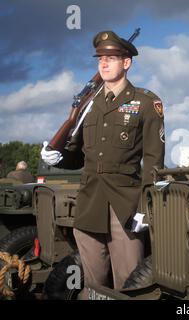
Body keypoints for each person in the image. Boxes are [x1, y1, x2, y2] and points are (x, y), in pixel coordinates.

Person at [40, 30, 165, 297]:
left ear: (127, 63)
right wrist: (58, 157)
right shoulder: (88, 105)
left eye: (111, 58)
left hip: (126, 206)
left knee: (130, 285)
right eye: (100, 59)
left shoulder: (145, 102)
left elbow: (155, 161)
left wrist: (145, 207)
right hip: (89, 204)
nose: (104, 64)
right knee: (93, 286)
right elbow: (77, 155)